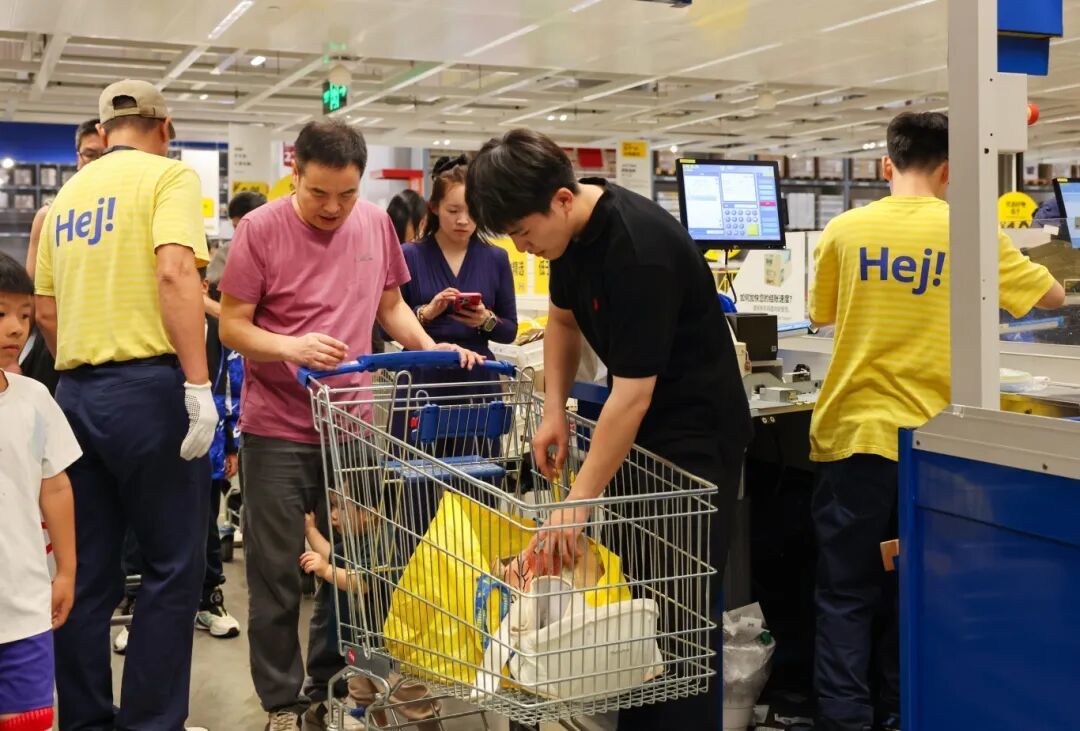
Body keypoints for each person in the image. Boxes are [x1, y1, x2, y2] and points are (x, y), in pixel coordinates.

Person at [465, 128, 752, 731]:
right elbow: (563, 323)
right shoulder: (569, 241)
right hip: (637, 440)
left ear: (562, 200)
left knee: (680, 616)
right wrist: (553, 409)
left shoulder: (636, 251)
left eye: (523, 232)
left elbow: (633, 395)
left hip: (693, 441)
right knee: (634, 603)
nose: (522, 247)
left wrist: (575, 503)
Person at [218, 119, 481, 731]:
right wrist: (290, 346)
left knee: (354, 570)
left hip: (353, 426)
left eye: (347, 193)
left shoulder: (374, 224)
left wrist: (434, 349)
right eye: (318, 193)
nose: (333, 208)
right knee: (276, 573)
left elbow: (390, 307)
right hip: (277, 428)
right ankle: (282, 704)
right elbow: (232, 325)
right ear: (295, 173)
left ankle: (328, 685)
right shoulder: (260, 230)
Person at [807, 111, 1066, 731]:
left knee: (846, 591)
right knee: (921, 588)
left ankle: (845, 721)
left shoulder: (843, 229)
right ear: (950, 171)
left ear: (885, 165)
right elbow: (1053, 298)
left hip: (854, 435)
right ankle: (907, 712)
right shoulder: (971, 232)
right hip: (938, 445)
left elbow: (821, 314)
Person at [35, 79, 217, 731]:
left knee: (85, 573)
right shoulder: (169, 178)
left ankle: (86, 720)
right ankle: (150, 723)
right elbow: (175, 272)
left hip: (75, 397)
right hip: (150, 395)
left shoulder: (66, 197)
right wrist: (198, 384)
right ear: (165, 127)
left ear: (103, 132)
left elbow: (46, 310)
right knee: (172, 566)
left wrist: (87, 361)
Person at [0, 253, 80, 731]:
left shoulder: (34, 399)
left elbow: (56, 486)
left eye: (25, 315)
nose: (15, 328)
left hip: (26, 604)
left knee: (29, 721)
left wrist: (66, 571)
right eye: (0, 313)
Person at [300, 495, 439, 731]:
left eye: (341, 507)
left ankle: (431, 725)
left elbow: (362, 582)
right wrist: (311, 530)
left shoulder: (383, 544)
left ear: (369, 514)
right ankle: (378, 726)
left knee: (409, 695)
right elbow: (331, 553)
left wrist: (326, 570)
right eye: (332, 506)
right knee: (362, 692)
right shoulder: (355, 541)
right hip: (360, 641)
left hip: (385, 643)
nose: (333, 515)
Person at [401, 154, 517, 401]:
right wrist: (425, 313)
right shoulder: (409, 255)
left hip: (478, 379)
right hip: (422, 378)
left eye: (472, 211)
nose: (463, 220)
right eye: (453, 211)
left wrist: (485, 320)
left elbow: (509, 331)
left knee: (477, 430)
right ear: (434, 207)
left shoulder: (496, 258)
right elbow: (386, 328)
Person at [20, 119, 105, 394]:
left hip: (112, 349)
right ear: (78, 157)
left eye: (104, 155)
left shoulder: (130, 212)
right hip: (57, 346)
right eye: (90, 154)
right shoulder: (50, 214)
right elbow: (32, 296)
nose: (96, 162)